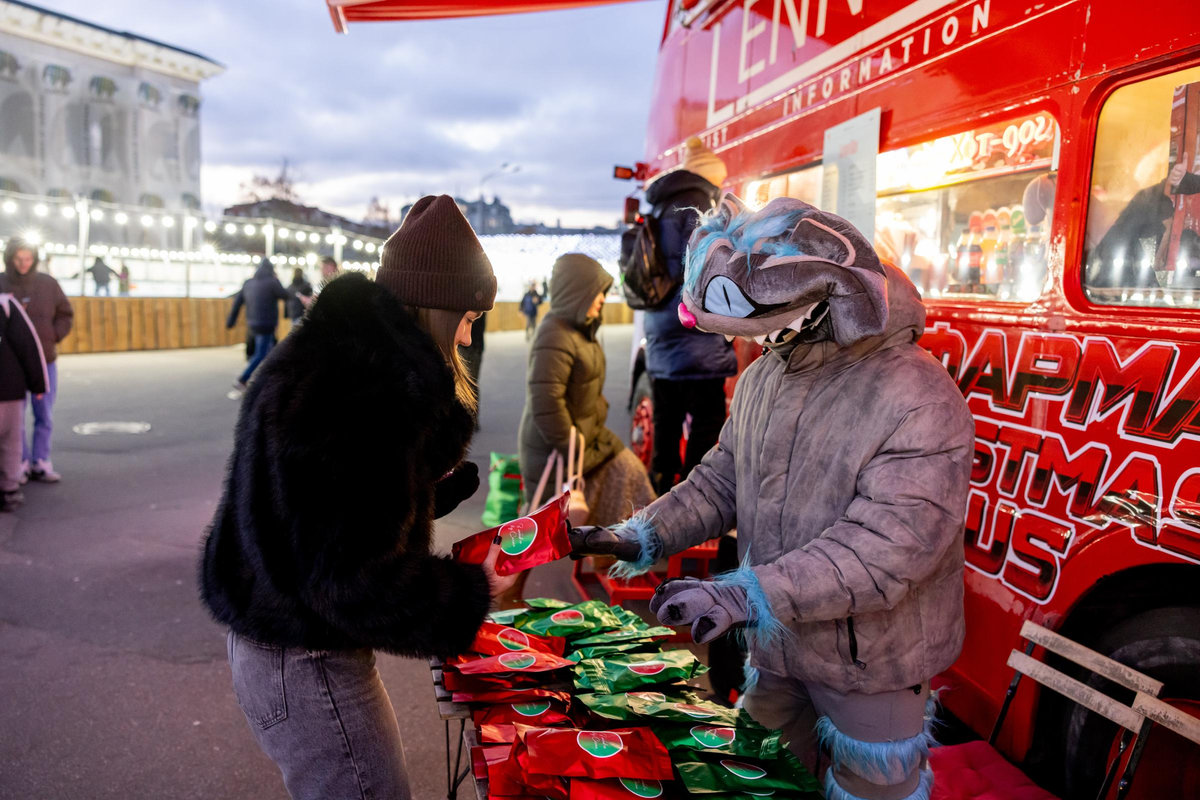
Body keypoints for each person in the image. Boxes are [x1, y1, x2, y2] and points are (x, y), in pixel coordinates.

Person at [573, 196, 974, 800]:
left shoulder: (918, 394)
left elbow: (885, 550)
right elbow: (722, 478)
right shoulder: (768, 374)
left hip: (871, 661)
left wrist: (742, 593)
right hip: (780, 646)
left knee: (872, 789)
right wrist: (639, 533)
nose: (758, 344)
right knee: (757, 779)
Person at [200, 194, 514, 800]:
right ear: (439, 307)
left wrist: (423, 494)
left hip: (281, 641)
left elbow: (327, 507)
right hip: (305, 658)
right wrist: (472, 592)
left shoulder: (343, 356)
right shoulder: (365, 393)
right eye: (470, 317)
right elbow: (344, 577)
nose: (472, 332)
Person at [519, 253, 655, 526]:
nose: (603, 299)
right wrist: (575, 451)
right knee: (627, 479)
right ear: (577, 293)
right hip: (558, 452)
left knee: (632, 476)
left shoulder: (580, 329)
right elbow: (547, 404)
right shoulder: (555, 334)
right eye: (596, 292)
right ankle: (621, 552)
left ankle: (623, 551)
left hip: (583, 442)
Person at [642, 136, 738, 495]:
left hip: (661, 324)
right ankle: (692, 498)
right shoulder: (696, 205)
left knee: (667, 419)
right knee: (708, 417)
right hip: (690, 327)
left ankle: (659, 494)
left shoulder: (661, 204)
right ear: (709, 177)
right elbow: (707, 267)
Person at [1, 237, 73, 484]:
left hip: (44, 360)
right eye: (19, 259)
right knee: (15, 417)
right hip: (11, 366)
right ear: (10, 258)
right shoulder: (1, 283)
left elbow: (66, 314)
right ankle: (19, 462)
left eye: (28, 259)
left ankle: (41, 460)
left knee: (44, 413)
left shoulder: (47, 284)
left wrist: (53, 336)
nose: (23, 264)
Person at [0, 290, 47, 511]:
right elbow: (29, 346)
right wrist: (38, 384)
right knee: (10, 442)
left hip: (8, 389)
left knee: (11, 441)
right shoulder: (6, 304)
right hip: (8, 388)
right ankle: (9, 490)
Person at [226, 257, 289, 391]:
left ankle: (270, 380)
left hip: (252, 323)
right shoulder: (272, 282)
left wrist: (230, 321)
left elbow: (237, 303)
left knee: (269, 351)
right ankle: (243, 379)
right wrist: (277, 280)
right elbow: (285, 295)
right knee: (261, 354)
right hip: (267, 324)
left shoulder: (248, 283)